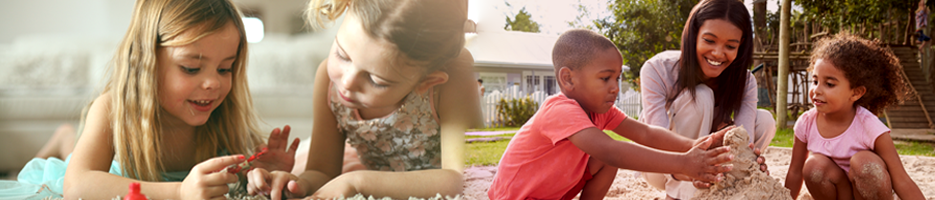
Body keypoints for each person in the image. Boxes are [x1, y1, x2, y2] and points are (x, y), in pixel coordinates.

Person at [52, 0, 299, 199]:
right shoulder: (112, 109)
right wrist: (179, 192)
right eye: (191, 68)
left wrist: (259, 174)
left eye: (225, 69)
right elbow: (76, 187)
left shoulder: (222, 115)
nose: (213, 82)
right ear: (146, 63)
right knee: (69, 161)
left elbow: (233, 184)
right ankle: (63, 138)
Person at [244, 0, 481, 199]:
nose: (346, 83)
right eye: (341, 54)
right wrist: (297, 185)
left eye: (376, 80)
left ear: (426, 81)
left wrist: (357, 182)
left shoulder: (454, 77)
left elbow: (463, 176)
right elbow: (322, 171)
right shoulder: (328, 80)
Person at [487, 29, 735, 200]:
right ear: (568, 78)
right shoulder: (559, 109)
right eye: (605, 78)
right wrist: (683, 163)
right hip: (514, 197)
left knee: (604, 163)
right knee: (608, 155)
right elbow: (610, 151)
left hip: (549, 195)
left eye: (617, 78)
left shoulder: (599, 112)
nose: (615, 87)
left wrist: (693, 145)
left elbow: (645, 132)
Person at [638, 0, 776, 198]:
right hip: (662, 165)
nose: (718, 53)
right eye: (709, 41)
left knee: (764, 121)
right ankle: (677, 196)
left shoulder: (745, 81)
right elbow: (655, 137)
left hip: (709, 168)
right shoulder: (658, 69)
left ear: (741, 46)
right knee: (700, 96)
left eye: (730, 46)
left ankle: (727, 187)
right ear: (694, 36)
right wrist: (685, 167)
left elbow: (745, 141)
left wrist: (749, 164)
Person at [783, 33, 923, 200]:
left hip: (868, 194)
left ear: (856, 93)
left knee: (864, 163)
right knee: (813, 166)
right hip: (839, 193)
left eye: (829, 84)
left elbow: (901, 179)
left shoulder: (869, 126)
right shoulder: (806, 122)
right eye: (815, 81)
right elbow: (795, 171)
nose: (817, 90)